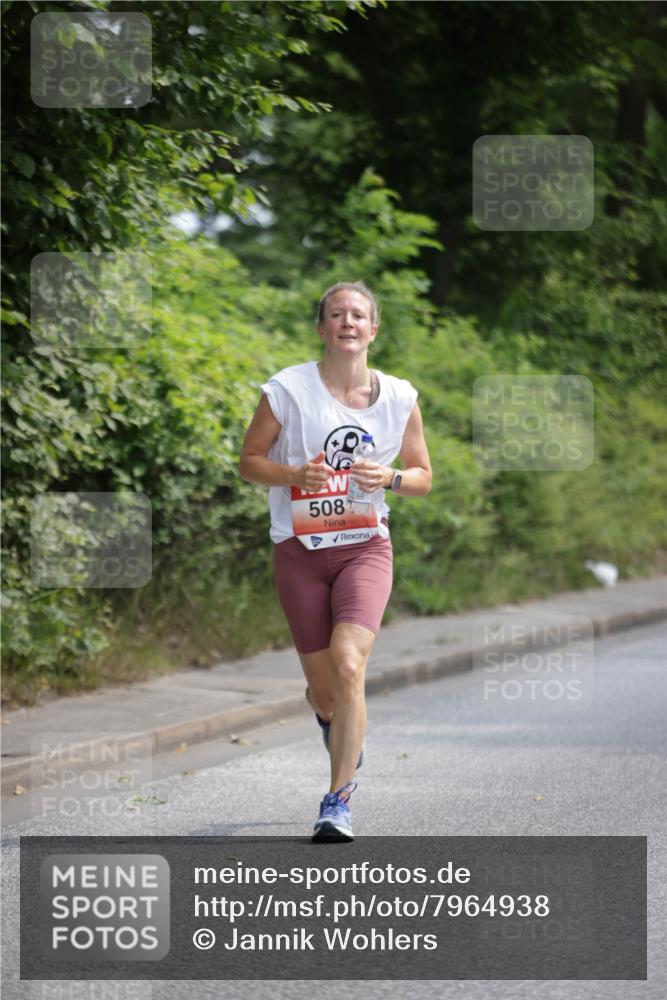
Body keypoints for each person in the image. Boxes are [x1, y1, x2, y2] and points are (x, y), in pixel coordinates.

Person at [238, 281, 432, 842]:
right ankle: (333, 719)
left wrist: (391, 477)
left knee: (349, 666)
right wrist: (293, 474)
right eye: (337, 314)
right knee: (325, 693)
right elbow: (249, 462)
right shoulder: (287, 390)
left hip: (364, 548)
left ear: (373, 329)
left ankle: (337, 802)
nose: (348, 322)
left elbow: (422, 476)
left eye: (358, 315)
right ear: (322, 328)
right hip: (299, 552)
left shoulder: (400, 398)